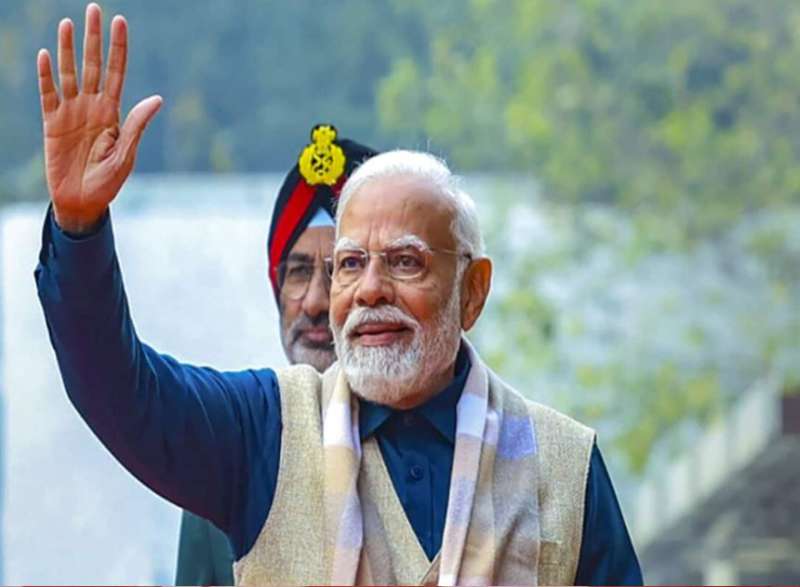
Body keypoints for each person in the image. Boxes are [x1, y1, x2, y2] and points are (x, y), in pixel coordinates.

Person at [34, 4, 643, 585]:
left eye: (404, 261)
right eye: (351, 264)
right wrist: (79, 226)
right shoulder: (264, 433)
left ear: (473, 290)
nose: (368, 289)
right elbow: (117, 389)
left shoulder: (564, 466)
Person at [175, 126, 378, 585]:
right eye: (298, 272)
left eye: (342, 270)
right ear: (276, 287)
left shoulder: (444, 447)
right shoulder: (229, 453)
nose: (315, 302)